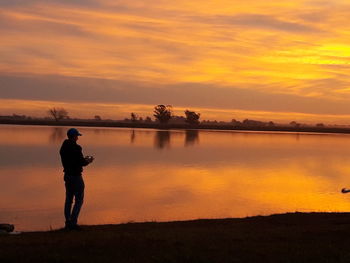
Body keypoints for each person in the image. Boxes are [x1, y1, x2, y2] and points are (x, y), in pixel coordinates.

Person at [59, 128, 94, 230]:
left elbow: (74, 160)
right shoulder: (76, 148)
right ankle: (73, 223)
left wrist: (83, 160)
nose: (78, 138)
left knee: (68, 200)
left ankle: (68, 222)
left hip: (67, 176)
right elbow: (81, 162)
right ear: (73, 136)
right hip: (76, 177)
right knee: (79, 200)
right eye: (77, 136)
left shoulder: (63, 148)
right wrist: (88, 161)